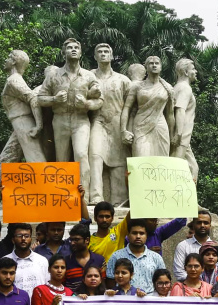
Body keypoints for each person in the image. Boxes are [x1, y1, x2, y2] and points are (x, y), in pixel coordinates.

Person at [37, 38, 102, 186]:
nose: (73, 50)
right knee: (62, 158)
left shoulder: (89, 76)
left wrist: (86, 104)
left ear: (80, 53)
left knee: (81, 154)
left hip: (81, 119)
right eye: (69, 48)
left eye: (76, 48)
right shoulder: (53, 75)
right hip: (60, 119)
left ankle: (83, 196)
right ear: (63, 52)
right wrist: (54, 99)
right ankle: (64, 195)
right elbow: (40, 98)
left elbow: (100, 100)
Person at [89, 43, 132, 204]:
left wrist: (127, 129)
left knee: (119, 162)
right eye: (99, 51)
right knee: (94, 156)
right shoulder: (89, 76)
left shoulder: (123, 80)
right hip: (97, 121)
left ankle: (119, 200)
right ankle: (95, 196)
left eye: (106, 51)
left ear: (112, 56)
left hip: (117, 122)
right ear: (95, 56)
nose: (103, 54)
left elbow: (131, 106)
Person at [121, 56, 174, 157]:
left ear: (161, 67)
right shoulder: (137, 86)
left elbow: (170, 114)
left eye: (157, 63)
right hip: (140, 126)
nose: (154, 65)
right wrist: (123, 130)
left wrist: (172, 134)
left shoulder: (168, 88)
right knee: (140, 157)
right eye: (151, 63)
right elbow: (127, 108)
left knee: (161, 162)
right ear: (146, 67)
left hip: (160, 126)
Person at [106, 219, 166, 293]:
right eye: (134, 233)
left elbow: (163, 281)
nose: (138, 236)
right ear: (128, 234)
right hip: (123, 301)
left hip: (149, 301)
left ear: (146, 235)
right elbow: (110, 282)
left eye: (141, 233)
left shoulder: (156, 258)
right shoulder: (116, 256)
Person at [33, 185, 91, 261]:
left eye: (59, 230)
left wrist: (81, 199)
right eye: (53, 230)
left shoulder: (71, 246)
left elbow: (85, 224)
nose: (56, 233)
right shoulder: (38, 250)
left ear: (64, 229)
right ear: (47, 230)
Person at [3, 223, 49, 298]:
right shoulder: (4, 261)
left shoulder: (42, 261)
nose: (23, 239)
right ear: (13, 240)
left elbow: (48, 287)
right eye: (19, 236)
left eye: (27, 236)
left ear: (31, 239)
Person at [171, 58, 199, 179]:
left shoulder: (177, 87)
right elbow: (180, 110)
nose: (196, 71)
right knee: (178, 170)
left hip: (183, 137)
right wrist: (179, 134)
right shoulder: (184, 88)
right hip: (181, 138)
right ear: (186, 72)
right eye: (193, 69)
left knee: (192, 168)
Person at [64, 223, 105, 292]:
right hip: (72, 301)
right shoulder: (65, 261)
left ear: (87, 240)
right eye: (71, 240)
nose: (72, 243)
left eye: (76, 240)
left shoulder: (100, 260)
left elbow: (103, 284)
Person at [173, 211, 213, 281]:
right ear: (193, 225)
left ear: (210, 225)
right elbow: (179, 272)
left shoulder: (216, 247)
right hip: (188, 289)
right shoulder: (183, 246)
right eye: (199, 222)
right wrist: (197, 282)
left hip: (213, 289)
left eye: (206, 223)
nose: (202, 225)